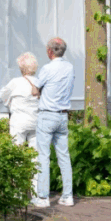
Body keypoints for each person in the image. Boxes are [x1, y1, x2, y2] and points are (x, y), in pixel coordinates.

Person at [30, 38, 74, 208]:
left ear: (50, 51)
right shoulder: (70, 67)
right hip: (63, 116)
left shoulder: (47, 69)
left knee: (43, 156)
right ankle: (67, 196)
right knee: (64, 156)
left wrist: (37, 89)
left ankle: (42, 197)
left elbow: (35, 90)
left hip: (47, 115)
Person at [0, 52, 40, 197]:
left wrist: (10, 103)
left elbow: (2, 95)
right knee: (35, 158)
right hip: (36, 122)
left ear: (21, 67)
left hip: (19, 122)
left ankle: (18, 193)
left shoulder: (15, 82)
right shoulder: (40, 81)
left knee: (17, 156)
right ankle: (36, 194)